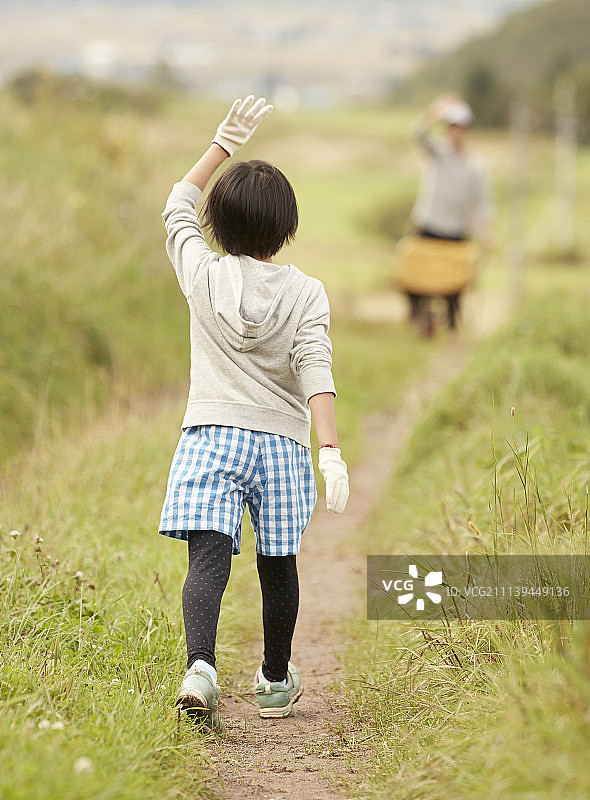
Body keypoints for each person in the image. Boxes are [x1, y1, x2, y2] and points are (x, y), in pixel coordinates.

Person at [157, 96, 349, 732]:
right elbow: (316, 368)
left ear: (219, 222)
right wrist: (331, 451)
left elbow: (176, 206)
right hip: (282, 447)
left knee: (207, 560)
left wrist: (222, 144)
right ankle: (272, 680)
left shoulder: (200, 272)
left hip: (210, 435)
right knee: (278, 564)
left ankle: (201, 666)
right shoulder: (306, 293)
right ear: (286, 228)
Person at [409, 93, 494, 328]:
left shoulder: (476, 165)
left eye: (461, 127)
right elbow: (417, 132)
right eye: (452, 126)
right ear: (447, 128)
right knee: (415, 277)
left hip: (455, 231)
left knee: (455, 284)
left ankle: (452, 325)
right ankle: (418, 319)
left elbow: (484, 202)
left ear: (467, 130)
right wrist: (435, 110)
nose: (456, 131)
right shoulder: (438, 153)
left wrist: (487, 231)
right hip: (427, 225)